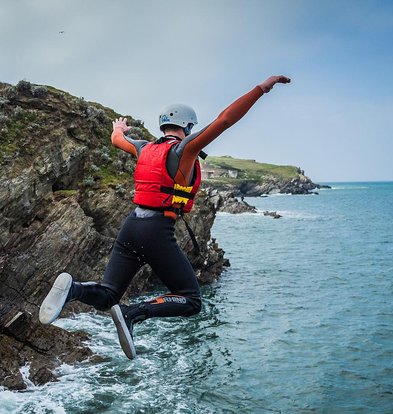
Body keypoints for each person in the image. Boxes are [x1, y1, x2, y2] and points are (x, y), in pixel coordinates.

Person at [39, 75, 291, 359]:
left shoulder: (144, 148)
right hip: (156, 231)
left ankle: (73, 289)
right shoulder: (185, 150)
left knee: (108, 294)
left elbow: (115, 138)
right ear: (188, 126)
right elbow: (224, 121)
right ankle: (133, 314)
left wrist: (119, 127)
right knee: (192, 300)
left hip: (130, 227)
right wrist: (262, 88)